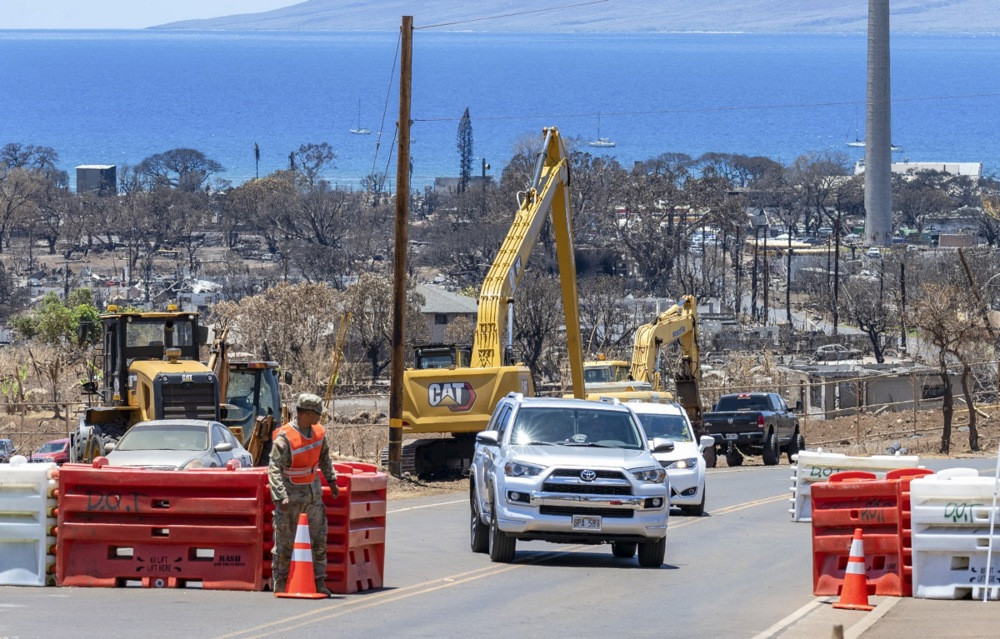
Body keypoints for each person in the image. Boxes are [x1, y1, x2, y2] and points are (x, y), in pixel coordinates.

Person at [268, 392, 338, 596]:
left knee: (318, 540)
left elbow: (324, 458)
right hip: (290, 499)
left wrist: (331, 480)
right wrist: (280, 495)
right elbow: (274, 468)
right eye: (317, 413)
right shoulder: (285, 438)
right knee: (285, 542)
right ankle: (281, 583)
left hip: (313, 497)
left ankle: (318, 582)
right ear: (305, 413)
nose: (319, 417)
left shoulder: (319, 433)